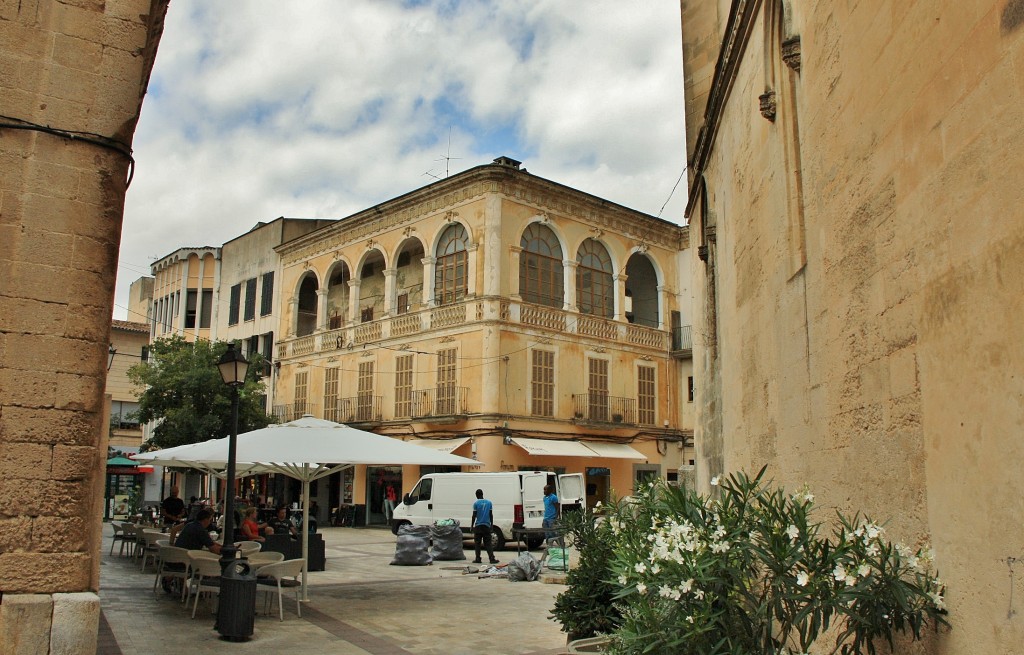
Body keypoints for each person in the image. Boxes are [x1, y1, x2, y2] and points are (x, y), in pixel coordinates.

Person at [471, 489, 499, 565]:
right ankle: (492, 558)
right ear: (482, 494)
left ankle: (478, 558)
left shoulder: (476, 503)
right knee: (488, 543)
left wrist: (472, 526)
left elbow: (474, 515)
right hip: (486, 525)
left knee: (477, 543)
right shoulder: (489, 502)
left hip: (478, 526)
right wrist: (491, 525)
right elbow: (491, 514)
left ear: (476, 495)